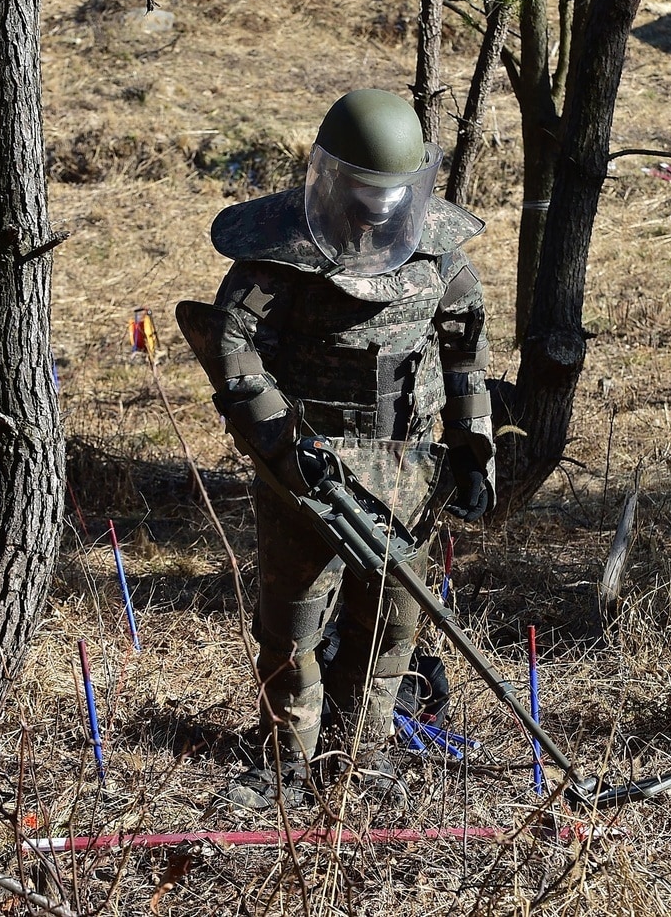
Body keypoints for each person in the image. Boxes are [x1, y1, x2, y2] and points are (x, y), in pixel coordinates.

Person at [176, 88, 494, 811]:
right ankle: (284, 762)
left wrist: (475, 448)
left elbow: (466, 353)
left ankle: (361, 757)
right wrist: (282, 439)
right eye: (364, 189)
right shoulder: (280, 257)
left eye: (394, 192)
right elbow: (232, 344)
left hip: (407, 474)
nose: (379, 206)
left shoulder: (439, 255)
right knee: (293, 623)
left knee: (390, 622)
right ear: (333, 176)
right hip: (305, 471)